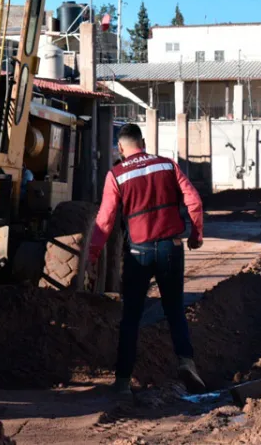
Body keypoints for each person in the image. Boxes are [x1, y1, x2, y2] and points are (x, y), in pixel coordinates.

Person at [88, 123, 206, 401]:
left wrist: (93, 255)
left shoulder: (116, 175)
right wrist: (197, 233)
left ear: (120, 147)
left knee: (131, 316)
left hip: (138, 252)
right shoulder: (167, 165)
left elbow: (104, 221)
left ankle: (123, 381)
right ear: (142, 141)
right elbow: (194, 200)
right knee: (175, 308)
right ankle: (187, 363)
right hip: (171, 247)